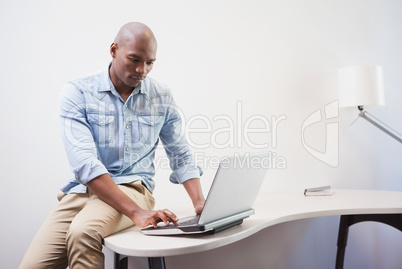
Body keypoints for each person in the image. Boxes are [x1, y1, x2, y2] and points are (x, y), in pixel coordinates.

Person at [19, 22, 205, 269]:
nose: (142, 70)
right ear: (114, 50)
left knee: (82, 232)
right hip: (83, 192)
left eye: (150, 62)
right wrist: (137, 214)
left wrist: (199, 202)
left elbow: (179, 152)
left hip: (134, 188)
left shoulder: (161, 96)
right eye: (134, 59)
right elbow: (84, 163)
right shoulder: (78, 92)